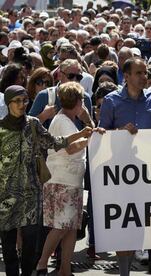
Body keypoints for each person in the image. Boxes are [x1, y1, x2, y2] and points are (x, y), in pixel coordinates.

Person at [0, 85, 93, 276]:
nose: (22, 105)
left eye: (25, 100)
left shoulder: (33, 124)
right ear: (8, 103)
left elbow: (55, 142)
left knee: (29, 243)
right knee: (9, 247)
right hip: (6, 195)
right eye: (18, 101)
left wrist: (81, 134)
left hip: (31, 193)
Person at [99, 57, 151, 276]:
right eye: (139, 73)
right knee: (122, 223)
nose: (144, 77)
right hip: (119, 174)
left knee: (141, 223)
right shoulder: (111, 101)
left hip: (146, 173)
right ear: (126, 76)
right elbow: (100, 136)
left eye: (146, 73)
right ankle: (124, 272)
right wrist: (119, 134)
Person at [36, 82, 102, 276]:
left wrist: (87, 121)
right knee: (61, 227)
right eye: (82, 99)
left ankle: (65, 268)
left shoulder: (66, 119)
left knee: (71, 228)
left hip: (69, 180)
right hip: (62, 180)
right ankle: (42, 262)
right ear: (78, 101)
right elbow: (71, 148)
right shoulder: (63, 121)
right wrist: (89, 136)